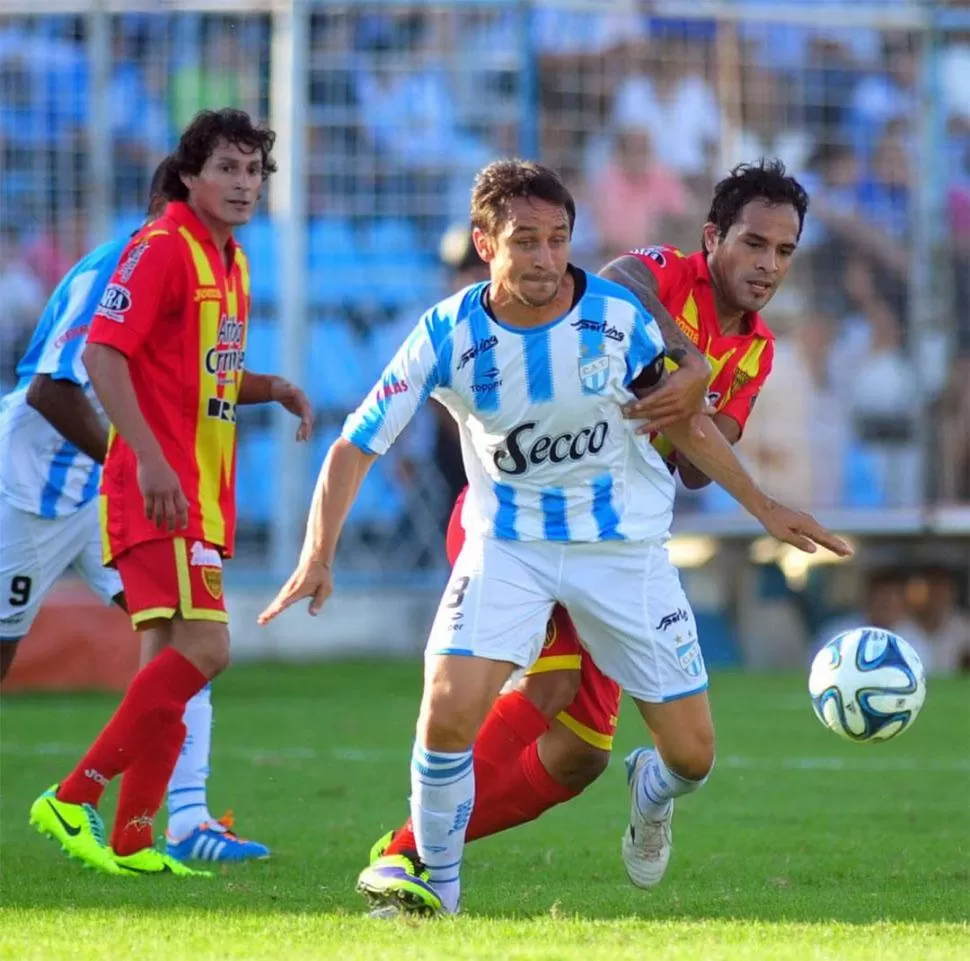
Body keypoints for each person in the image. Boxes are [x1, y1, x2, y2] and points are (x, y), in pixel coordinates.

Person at [259, 160, 849, 916]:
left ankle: (642, 788)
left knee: (648, 755)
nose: (544, 258)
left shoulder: (714, 339)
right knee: (459, 701)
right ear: (485, 243)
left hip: (623, 549)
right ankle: (428, 876)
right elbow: (356, 443)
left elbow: (695, 442)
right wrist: (317, 551)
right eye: (526, 241)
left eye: (556, 241)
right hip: (510, 541)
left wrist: (764, 504)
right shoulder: (487, 321)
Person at [28, 108, 313, 877]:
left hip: (199, 492)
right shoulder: (162, 247)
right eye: (227, 167)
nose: (244, 183)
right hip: (159, 487)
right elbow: (102, 353)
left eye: (254, 170)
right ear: (190, 175)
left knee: (162, 660)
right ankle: (73, 793)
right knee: (207, 648)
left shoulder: (232, 261)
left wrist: (273, 387)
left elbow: (197, 374)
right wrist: (150, 460)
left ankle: (132, 837)